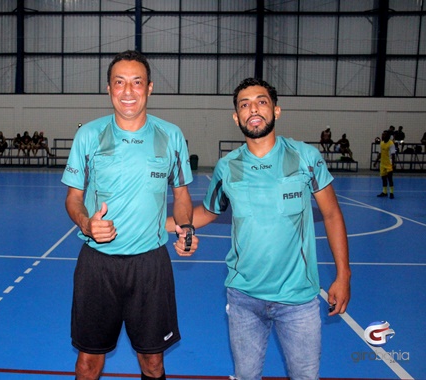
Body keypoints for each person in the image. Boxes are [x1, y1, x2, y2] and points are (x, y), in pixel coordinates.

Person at [168, 78, 351, 380]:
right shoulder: (227, 167)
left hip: (298, 300)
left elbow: (332, 214)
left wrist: (344, 275)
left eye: (261, 101)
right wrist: (153, 224)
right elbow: (207, 213)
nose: (253, 109)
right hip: (244, 299)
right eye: (244, 104)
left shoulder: (305, 158)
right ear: (236, 117)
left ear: (276, 111)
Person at [61, 50, 194, 380]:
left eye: (136, 82)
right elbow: (73, 198)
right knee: (88, 362)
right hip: (97, 265)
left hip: (150, 265)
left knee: (153, 363)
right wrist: (86, 224)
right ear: (108, 88)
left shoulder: (171, 136)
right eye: (119, 83)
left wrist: (186, 226)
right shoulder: (89, 135)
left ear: (150, 88)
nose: (128, 91)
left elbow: (181, 196)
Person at [374, 130, 396, 199]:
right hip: (382, 164)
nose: (382, 136)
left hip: (389, 164)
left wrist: (393, 164)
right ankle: (384, 192)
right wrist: (376, 161)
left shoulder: (391, 144)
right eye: (382, 134)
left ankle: (391, 193)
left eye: (384, 135)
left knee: (390, 179)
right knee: (383, 179)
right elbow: (380, 154)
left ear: (388, 136)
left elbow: (393, 155)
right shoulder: (381, 143)